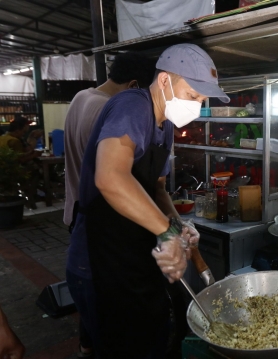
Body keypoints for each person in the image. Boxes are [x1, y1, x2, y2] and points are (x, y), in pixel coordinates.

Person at [68, 43, 229, 358]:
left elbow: (156, 188)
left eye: (202, 100)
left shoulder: (165, 124)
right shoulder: (132, 104)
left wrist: (176, 225)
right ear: (166, 81)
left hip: (131, 253)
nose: (197, 107)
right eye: (193, 96)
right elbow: (110, 177)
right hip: (98, 258)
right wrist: (165, 233)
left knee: (149, 340)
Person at [63, 52, 156, 358]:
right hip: (102, 231)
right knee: (113, 326)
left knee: (93, 318)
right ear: (133, 86)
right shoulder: (115, 109)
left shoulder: (81, 98)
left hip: (77, 217)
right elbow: (114, 178)